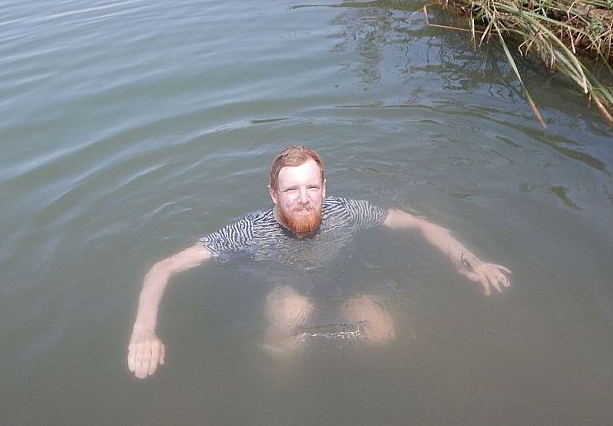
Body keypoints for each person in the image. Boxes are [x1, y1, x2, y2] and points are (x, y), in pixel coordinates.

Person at [128, 145, 511, 378]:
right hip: (285, 288)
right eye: (291, 189)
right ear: (274, 194)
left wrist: (471, 260)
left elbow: (420, 224)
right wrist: (144, 330)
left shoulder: (347, 212)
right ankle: (281, 399)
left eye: (312, 187)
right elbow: (163, 268)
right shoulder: (247, 231)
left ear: (324, 189)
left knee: (384, 334)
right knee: (289, 314)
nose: (303, 198)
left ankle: (365, 394)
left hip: (343, 284)